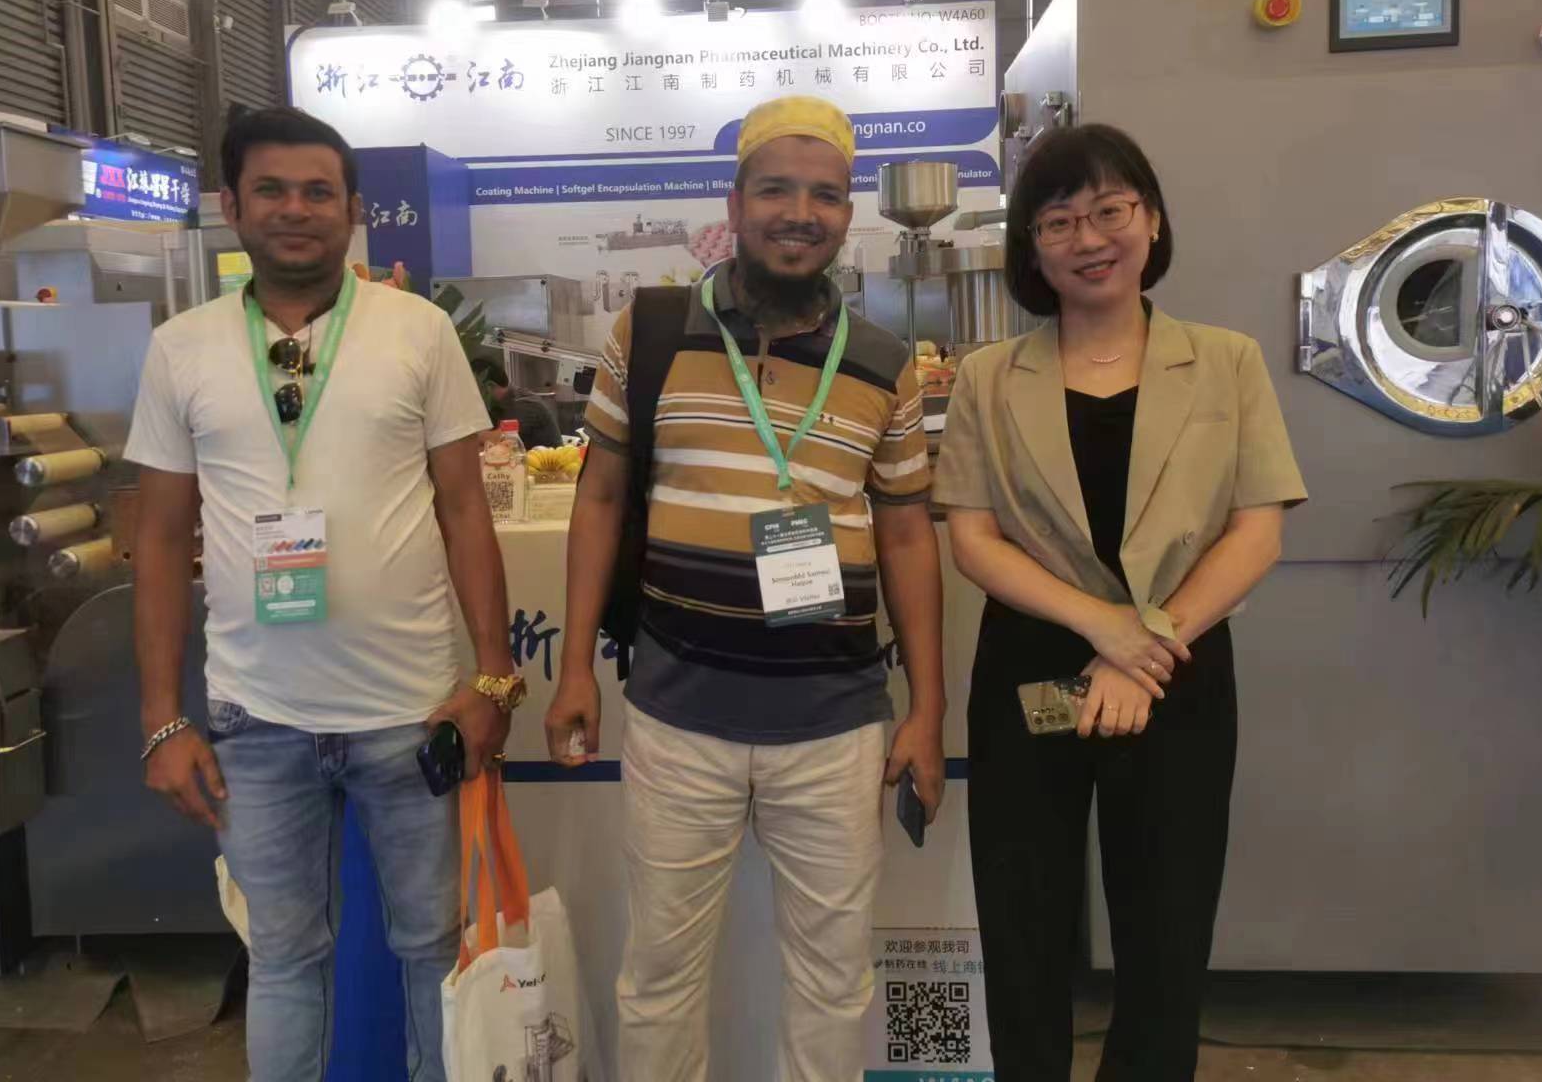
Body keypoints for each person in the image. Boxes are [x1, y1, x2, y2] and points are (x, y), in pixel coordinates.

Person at [545, 96, 947, 1082]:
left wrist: (929, 709)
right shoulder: (649, 332)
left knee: (832, 980)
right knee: (659, 973)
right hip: (680, 713)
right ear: (734, 204)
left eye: (825, 194)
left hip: (834, 721)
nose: (799, 213)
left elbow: (905, 534)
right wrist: (573, 669)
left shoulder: (884, 363)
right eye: (775, 189)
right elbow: (600, 496)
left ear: (846, 213)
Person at [126, 106, 525, 1082]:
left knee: (431, 946)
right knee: (283, 956)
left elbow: (464, 508)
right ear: (232, 207)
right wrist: (161, 720)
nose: (295, 209)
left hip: (412, 711)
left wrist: (492, 677)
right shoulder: (181, 347)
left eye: (318, 191)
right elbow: (160, 537)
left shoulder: (418, 332)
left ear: (353, 210)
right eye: (270, 190)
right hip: (256, 718)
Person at [932, 123, 1307, 1081]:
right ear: (1032, 247)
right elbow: (973, 539)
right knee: (1023, 918)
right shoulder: (985, 378)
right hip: (1032, 671)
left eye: (1110, 210)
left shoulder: (1226, 362)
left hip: (1177, 669)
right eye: (1058, 221)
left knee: (1167, 923)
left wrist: (1146, 643)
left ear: (1153, 221)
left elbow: (1256, 532)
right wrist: (1105, 627)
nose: (1089, 238)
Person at [470, 352, 563, 450]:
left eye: (474, 388)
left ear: (490, 386)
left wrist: (473, 435)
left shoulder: (524, 405)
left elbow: (497, 439)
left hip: (549, 459)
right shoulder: (498, 405)